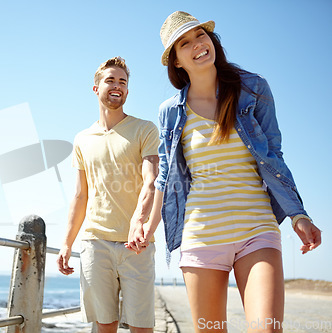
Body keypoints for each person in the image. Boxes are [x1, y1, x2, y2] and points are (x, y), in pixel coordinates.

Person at [129, 11, 322, 333]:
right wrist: (148, 229)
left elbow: (274, 155)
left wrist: (298, 214)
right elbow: (166, 178)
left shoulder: (254, 89)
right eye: (185, 43)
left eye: (200, 35)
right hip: (201, 235)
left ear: (211, 39)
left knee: (267, 328)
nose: (197, 45)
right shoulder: (170, 112)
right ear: (176, 61)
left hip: (256, 228)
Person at [57, 56, 160, 333]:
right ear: (96, 88)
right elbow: (80, 196)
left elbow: (151, 181)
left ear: (127, 90)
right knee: (104, 325)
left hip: (136, 245)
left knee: (141, 327)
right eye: (110, 80)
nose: (117, 86)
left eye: (123, 82)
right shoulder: (82, 139)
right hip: (95, 244)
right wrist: (67, 244)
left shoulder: (145, 129)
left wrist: (140, 224)